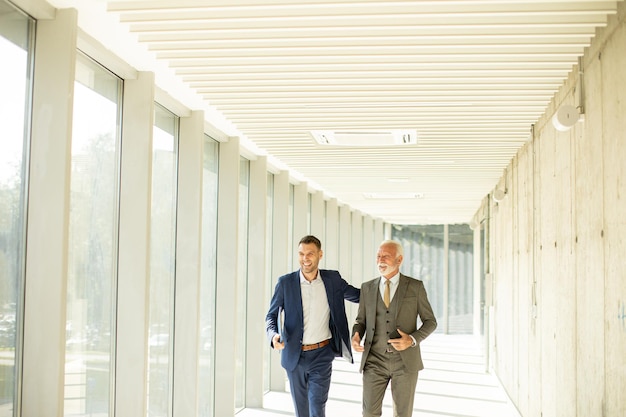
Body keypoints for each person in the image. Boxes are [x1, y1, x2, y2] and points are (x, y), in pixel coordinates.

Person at [266, 235, 360, 417]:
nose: (305, 258)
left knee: (317, 407)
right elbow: (271, 316)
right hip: (295, 356)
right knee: (302, 411)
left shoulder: (332, 280)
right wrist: (273, 336)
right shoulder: (285, 283)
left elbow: (359, 296)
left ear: (320, 254)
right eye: (301, 254)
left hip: (322, 354)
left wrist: (385, 288)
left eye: (310, 254)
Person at [351, 239, 437, 417]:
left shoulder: (415, 287)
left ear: (399, 260)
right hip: (374, 361)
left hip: (404, 363)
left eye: (386, 256)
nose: (380, 260)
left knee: (402, 414)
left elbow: (430, 321)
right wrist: (356, 335)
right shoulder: (367, 288)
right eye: (378, 256)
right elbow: (361, 321)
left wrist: (412, 340)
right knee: (369, 413)